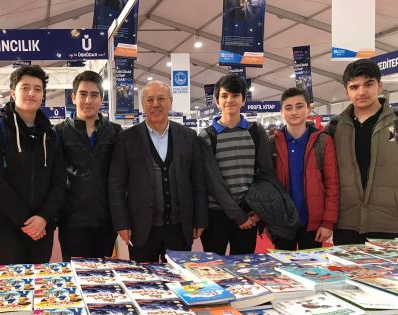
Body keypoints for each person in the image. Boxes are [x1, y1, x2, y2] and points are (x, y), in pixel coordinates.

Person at [109, 80, 207, 262]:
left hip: (180, 227)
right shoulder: (126, 139)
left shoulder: (188, 136)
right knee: (144, 277)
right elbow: (116, 186)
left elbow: (198, 181)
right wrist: (122, 223)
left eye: (161, 98)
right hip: (141, 227)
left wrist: (199, 218)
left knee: (180, 276)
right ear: (142, 104)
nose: (155, 104)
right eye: (150, 99)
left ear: (170, 102)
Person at [0, 65, 66, 267]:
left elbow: (59, 182)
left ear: (43, 95)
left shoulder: (51, 135)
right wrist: (26, 220)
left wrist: (43, 217)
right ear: (13, 93)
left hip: (42, 229)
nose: (31, 93)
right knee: (9, 284)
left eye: (37, 89)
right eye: (25, 87)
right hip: (5, 230)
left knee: (39, 283)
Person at [199, 74, 274, 255]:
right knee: (213, 266)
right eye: (224, 96)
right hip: (216, 215)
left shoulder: (256, 132)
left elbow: (265, 174)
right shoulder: (206, 136)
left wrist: (259, 211)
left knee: (244, 266)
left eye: (235, 95)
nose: (229, 100)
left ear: (243, 99)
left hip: (249, 212)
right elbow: (213, 183)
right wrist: (238, 216)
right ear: (217, 101)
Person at [327, 59, 398, 245]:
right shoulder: (334, 127)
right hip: (346, 222)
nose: (361, 92)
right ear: (346, 92)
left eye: (368, 84)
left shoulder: (395, 124)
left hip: (389, 222)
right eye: (354, 87)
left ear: (379, 86)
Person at [55, 71, 122, 261]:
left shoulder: (115, 132)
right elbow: (54, 177)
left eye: (94, 95)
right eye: (83, 94)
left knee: (104, 273)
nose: (88, 100)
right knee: (76, 273)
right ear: (73, 97)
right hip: (72, 221)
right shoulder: (59, 132)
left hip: (106, 220)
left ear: (101, 99)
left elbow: (120, 177)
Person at [272, 87, 339, 250]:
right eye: (288, 107)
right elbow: (266, 185)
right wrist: (267, 222)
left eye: (299, 106)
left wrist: (328, 222)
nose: (294, 112)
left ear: (309, 109)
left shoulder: (323, 141)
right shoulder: (273, 143)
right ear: (281, 112)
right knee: (282, 265)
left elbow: (332, 184)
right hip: (282, 222)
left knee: (312, 265)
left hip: (313, 223)